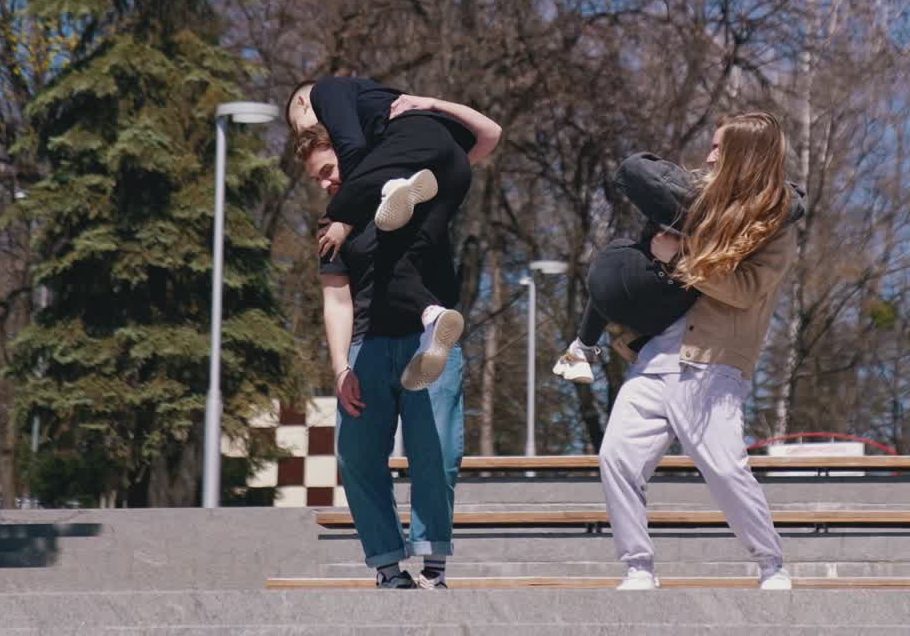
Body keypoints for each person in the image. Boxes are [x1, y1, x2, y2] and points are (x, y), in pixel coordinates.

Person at [301, 91, 502, 591]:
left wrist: (430, 104)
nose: (325, 183)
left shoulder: (417, 181)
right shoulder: (332, 225)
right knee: (356, 457)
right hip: (367, 346)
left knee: (436, 452)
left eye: (328, 170)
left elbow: (487, 135)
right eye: (317, 179)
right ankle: (388, 567)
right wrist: (340, 369)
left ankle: (433, 565)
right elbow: (336, 299)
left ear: (348, 152)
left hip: (428, 340)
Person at [596, 112, 800, 592]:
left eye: (718, 148)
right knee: (616, 457)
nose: (708, 157)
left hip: (712, 363)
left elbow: (745, 289)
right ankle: (638, 567)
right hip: (652, 359)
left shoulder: (776, 224)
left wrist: (683, 258)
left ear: (745, 156)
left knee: (726, 469)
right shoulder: (694, 204)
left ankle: (771, 564)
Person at [288, 77, 500, 390]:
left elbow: (353, 147)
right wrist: (431, 104)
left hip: (414, 148)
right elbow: (492, 134)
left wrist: (344, 219)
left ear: (303, 104)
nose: (323, 184)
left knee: (365, 198)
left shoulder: (326, 91)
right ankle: (434, 319)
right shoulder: (389, 124)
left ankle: (393, 187)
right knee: (396, 263)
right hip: (451, 171)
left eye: (298, 125)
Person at [552, 152, 699, 385]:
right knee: (625, 252)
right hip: (653, 304)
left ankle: (582, 348)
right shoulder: (705, 203)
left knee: (622, 250)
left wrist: (676, 260)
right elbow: (632, 169)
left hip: (658, 311)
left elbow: (632, 168)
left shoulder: (726, 215)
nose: (712, 156)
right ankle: (583, 347)